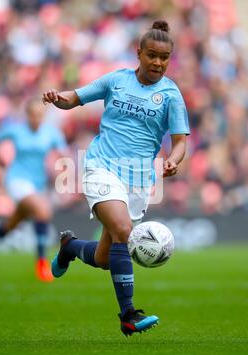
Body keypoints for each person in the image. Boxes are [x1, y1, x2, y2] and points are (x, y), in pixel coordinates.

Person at [42, 20, 190, 334]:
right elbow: (76, 97)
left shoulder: (171, 95)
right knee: (123, 229)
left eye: (164, 58)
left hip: (138, 180)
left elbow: (180, 142)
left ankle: (69, 247)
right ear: (139, 53)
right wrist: (58, 98)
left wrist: (173, 162)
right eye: (151, 55)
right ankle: (128, 315)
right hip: (101, 167)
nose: (157, 62)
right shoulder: (117, 80)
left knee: (105, 258)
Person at [0, 98, 68, 282]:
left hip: (37, 184)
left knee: (12, 224)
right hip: (16, 180)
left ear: (44, 116)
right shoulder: (16, 130)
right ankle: (41, 263)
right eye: (32, 115)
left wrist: (63, 169)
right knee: (43, 212)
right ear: (27, 115)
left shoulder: (51, 133)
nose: (36, 119)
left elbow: (63, 154)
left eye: (39, 116)